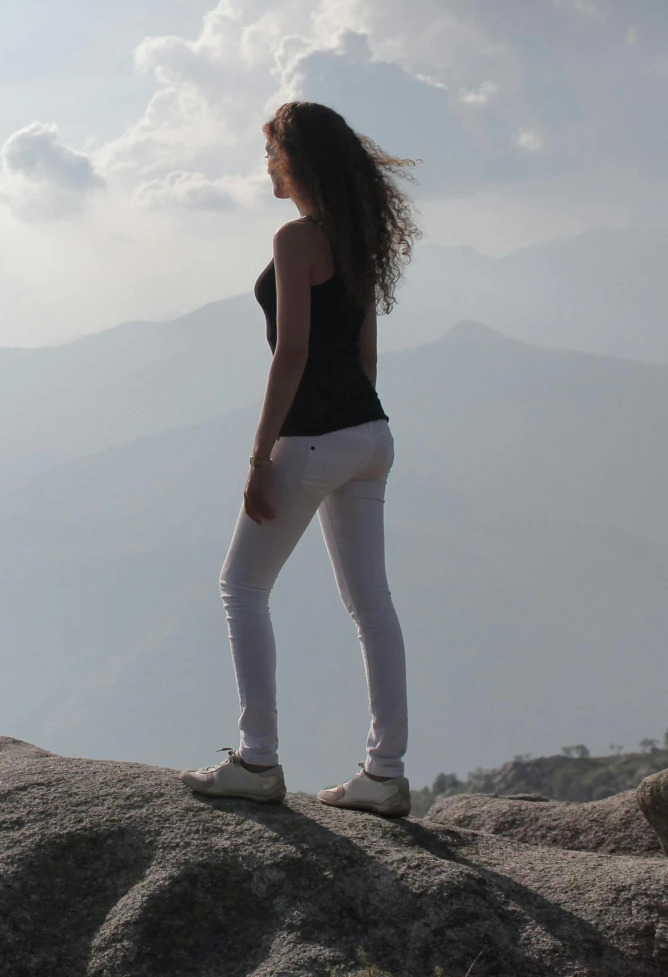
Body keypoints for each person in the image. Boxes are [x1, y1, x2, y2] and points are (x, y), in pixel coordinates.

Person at [181, 101, 420, 817]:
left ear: (297, 160)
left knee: (242, 586)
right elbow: (365, 353)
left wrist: (261, 456)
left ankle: (258, 757)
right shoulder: (361, 237)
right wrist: (354, 427)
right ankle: (386, 773)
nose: (267, 167)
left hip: (312, 438)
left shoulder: (295, 239)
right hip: (369, 435)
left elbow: (293, 352)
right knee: (371, 603)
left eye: (271, 154)